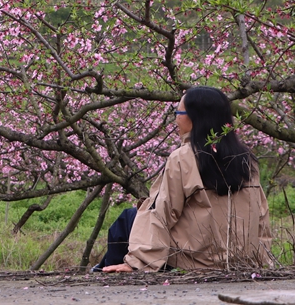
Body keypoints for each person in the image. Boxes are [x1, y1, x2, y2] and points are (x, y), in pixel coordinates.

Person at [100, 86, 272, 272]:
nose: (176, 118)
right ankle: (105, 268)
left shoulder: (183, 157)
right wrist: (261, 261)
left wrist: (137, 263)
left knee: (128, 219)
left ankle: (114, 273)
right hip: (241, 258)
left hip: (199, 258)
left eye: (178, 112)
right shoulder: (247, 160)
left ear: (195, 117)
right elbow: (262, 216)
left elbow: (163, 213)